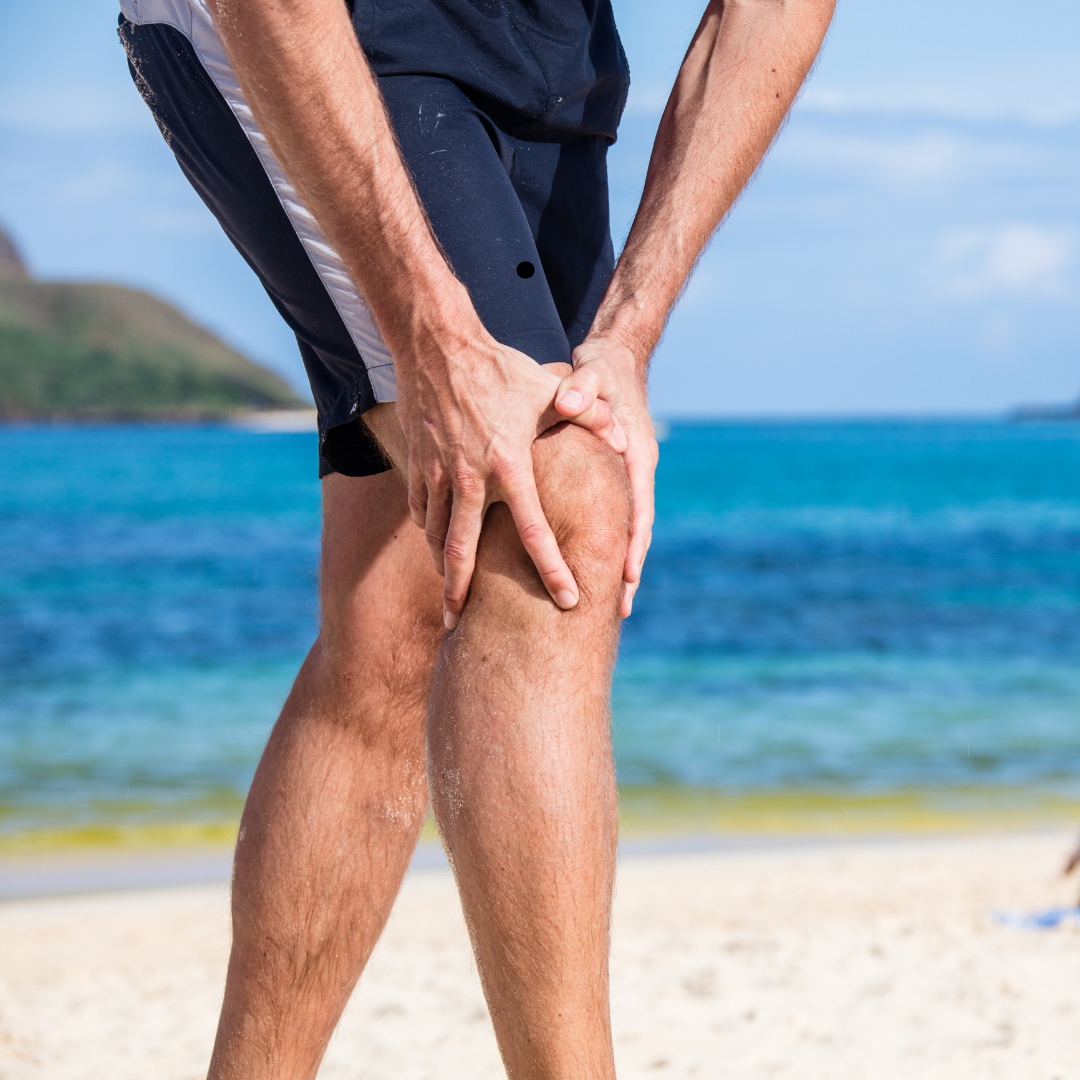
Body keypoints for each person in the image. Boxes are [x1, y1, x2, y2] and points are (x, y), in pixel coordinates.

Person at [118, 0, 834, 1075]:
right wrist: (428, 328)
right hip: (311, 32)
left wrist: (632, 329)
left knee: (400, 607)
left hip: (545, 58)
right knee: (551, 508)